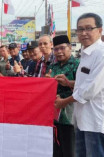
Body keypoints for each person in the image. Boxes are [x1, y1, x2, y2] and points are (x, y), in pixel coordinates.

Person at [55, 13, 104, 157]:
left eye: (89, 28)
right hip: (81, 119)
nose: (83, 33)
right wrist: (69, 83)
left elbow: (90, 90)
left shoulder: (101, 54)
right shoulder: (85, 53)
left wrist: (64, 102)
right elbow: (85, 84)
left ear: (100, 30)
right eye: (80, 29)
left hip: (95, 122)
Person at [46, 35, 79, 157]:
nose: (59, 52)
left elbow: (85, 87)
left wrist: (68, 83)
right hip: (54, 115)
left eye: (62, 48)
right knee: (56, 150)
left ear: (70, 48)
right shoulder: (52, 67)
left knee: (69, 149)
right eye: (56, 49)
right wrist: (47, 81)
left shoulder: (77, 65)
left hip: (71, 114)